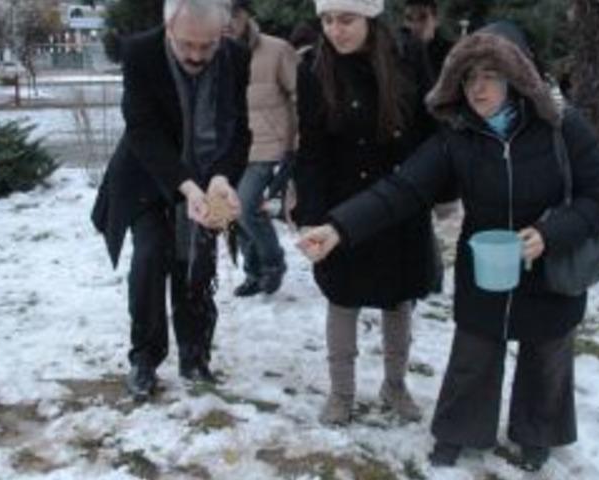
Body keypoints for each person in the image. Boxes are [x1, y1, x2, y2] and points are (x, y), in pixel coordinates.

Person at [298, 21, 599, 471]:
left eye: (490, 75)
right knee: (475, 351)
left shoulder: (561, 125)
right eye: (469, 77)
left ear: (519, 78)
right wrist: (338, 228)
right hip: (486, 263)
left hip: (551, 265)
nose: (478, 88)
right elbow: (402, 189)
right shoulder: (458, 136)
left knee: (547, 353)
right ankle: (459, 430)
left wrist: (551, 234)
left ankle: (537, 432)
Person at [91, 0, 251, 400]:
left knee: (196, 264)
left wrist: (219, 179)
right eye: (187, 46)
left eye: (207, 46)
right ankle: (144, 359)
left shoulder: (236, 58)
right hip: (149, 176)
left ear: (223, 35)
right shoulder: (140, 53)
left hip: (207, 176)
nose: (197, 55)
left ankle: (195, 355)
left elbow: (239, 130)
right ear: (168, 32)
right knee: (149, 260)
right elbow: (142, 130)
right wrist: (186, 186)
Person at [293, 0, 440, 426]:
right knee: (343, 298)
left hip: (402, 202)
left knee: (399, 299)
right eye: (326, 19)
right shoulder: (314, 68)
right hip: (340, 205)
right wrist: (311, 215)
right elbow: (312, 150)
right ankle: (342, 393)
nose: (335, 30)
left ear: (370, 17)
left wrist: (435, 189)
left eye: (346, 19)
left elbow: (430, 130)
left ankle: (395, 384)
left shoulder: (407, 55)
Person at [226, 0, 297, 296]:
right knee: (233, 212)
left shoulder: (276, 50)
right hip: (228, 150)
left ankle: (273, 263)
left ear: (247, 15)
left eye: (234, 13)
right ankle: (253, 272)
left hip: (268, 147)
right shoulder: (212, 51)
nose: (227, 21)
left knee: (244, 207)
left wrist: (295, 146)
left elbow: (299, 97)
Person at [399, 0, 452, 89]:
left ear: (436, 20)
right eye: (409, 19)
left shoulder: (451, 53)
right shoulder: (399, 55)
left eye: (423, 18)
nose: (415, 25)